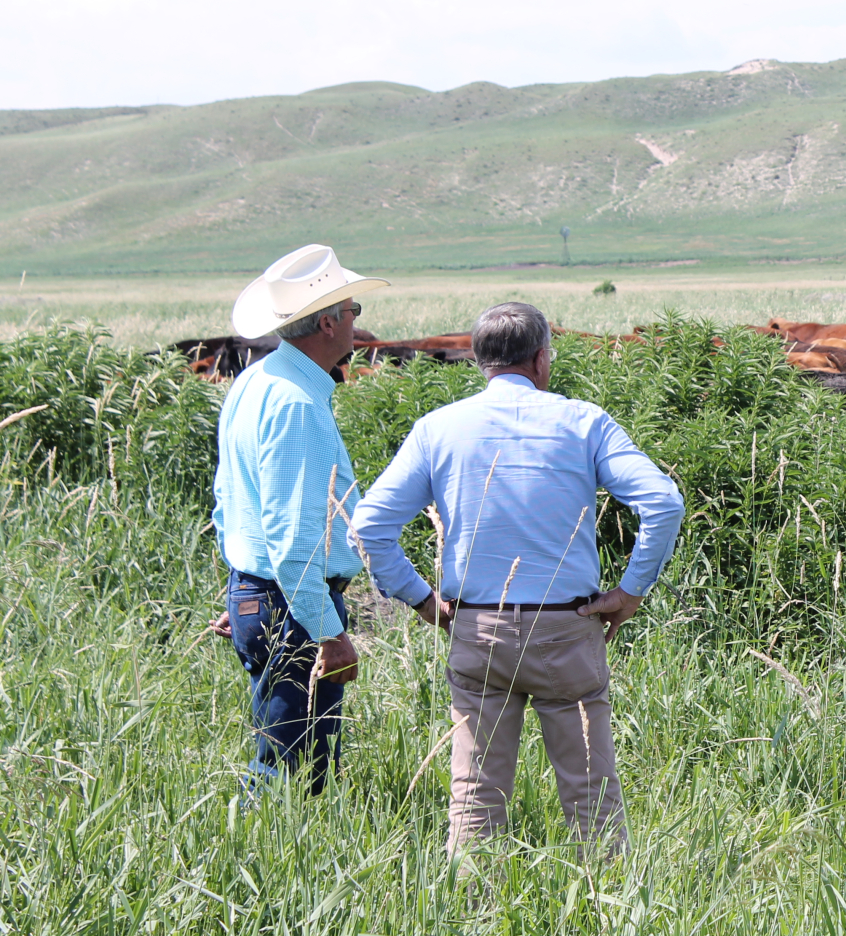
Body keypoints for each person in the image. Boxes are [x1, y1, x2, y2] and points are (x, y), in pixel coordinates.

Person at [352, 301, 684, 855]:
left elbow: (369, 525)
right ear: (540, 359)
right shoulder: (583, 421)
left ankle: (472, 909)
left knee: (475, 795)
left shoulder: (438, 429)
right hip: (567, 626)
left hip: (476, 627)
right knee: (591, 793)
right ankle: (606, 906)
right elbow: (664, 503)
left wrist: (422, 600)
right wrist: (630, 591)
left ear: (479, 361)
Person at [208, 244, 451, 794]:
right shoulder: (296, 402)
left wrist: (240, 589)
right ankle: (265, 864)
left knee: (296, 756)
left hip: (264, 592)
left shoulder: (254, 381)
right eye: (352, 311)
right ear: (326, 323)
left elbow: (227, 500)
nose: (358, 324)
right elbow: (296, 538)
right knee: (290, 770)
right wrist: (329, 633)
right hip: (291, 602)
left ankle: (281, 861)